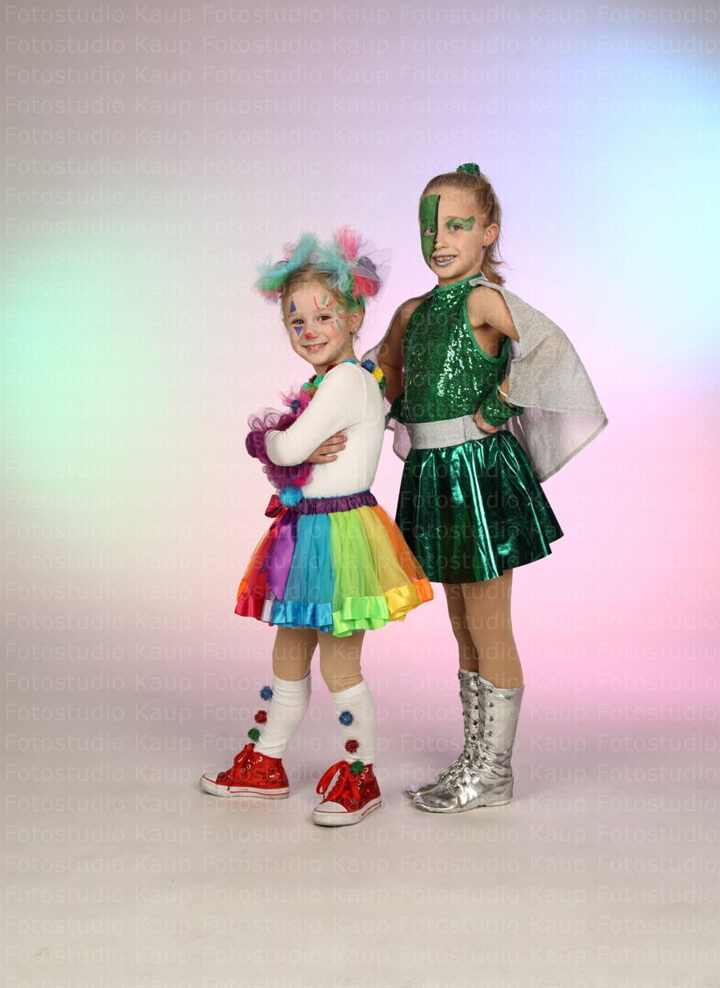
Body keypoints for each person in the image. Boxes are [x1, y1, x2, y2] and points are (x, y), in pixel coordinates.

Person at [355, 163, 607, 814]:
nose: (440, 240)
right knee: (462, 624)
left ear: (488, 231)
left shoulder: (483, 301)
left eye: (457, 226)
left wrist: (499, 405)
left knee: (490, 626)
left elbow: (550, 348)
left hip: (480, 478)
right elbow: (379, 377)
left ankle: (494, 773)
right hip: (433, 478)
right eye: (430, 229)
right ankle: (474, 759)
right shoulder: (412, 312)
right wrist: (336, 392)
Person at [199, 228, 432, 826]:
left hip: (339, 539)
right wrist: (284, 448)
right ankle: (267, 761)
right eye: (296, 321)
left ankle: (360, 775)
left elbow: (287, 448)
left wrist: (275, 442)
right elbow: (290, 453)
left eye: (324, 315)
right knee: (288, 655)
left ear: (354, 318)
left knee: (339, 666)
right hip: (306, 534)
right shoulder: (324, 383)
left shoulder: (347, 381)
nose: (310, 330)